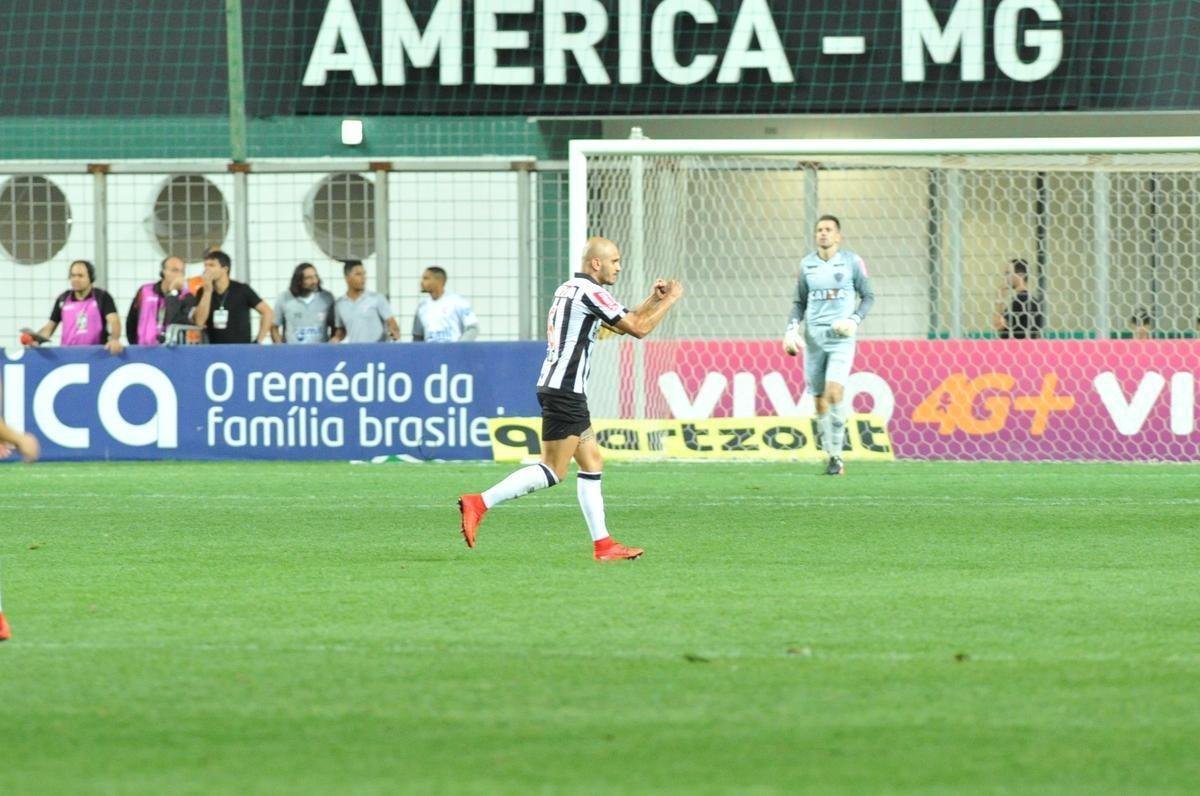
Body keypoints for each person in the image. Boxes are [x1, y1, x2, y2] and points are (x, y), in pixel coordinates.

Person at [457, 236, 684, 561]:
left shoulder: (570, 289)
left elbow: (622, 323)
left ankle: (604, 545)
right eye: (615, 261)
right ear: (596, 263)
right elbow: (638, 328)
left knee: (592, 462)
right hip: (565, 390)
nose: (619, 267)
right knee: (553, 470)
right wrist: (671, 299)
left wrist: (652, 298)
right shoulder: (591, 292)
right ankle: (479, 502)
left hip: (561, 387)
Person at [783, 215, 875, 476]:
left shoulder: (852, 262)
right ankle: (831, 454)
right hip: (814, 339)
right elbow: (799, 302)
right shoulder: (807, 265)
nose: (823, 233)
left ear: (838, 236)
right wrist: (791, 330)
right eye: (819, 230)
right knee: (820, 400)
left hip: (841, 338)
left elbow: (868, 296)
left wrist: (854, 320)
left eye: (828, 230)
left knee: (835, 392)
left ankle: (839, 457)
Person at [26, 260, 123, 354]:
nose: (76, 279)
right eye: (73, 275)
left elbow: (114, 321)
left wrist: (114, 339)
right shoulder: (63, 299)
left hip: (96, 355)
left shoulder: (102, 297)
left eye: (80, 276)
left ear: (91, 278)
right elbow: (49, 327)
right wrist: (36, 340)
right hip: (68, 356)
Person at [192, 250, 273, 344]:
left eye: (211, 265)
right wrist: (207, 292)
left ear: (225, 269)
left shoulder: (242, 290)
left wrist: (258, 341)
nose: (207, 269)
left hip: (241, 348)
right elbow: (199, 322)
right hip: (214, 348)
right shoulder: (202, 291)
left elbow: (267, 312)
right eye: (205, 265)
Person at [126, 256, 196, 345]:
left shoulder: (187, 296)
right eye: (174, 270)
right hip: (143, 348)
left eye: (181, 271)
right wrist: (134, 345)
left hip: (173, 350)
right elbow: (132, 320)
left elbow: (172, 319)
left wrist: (173, 292)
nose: (178, 275)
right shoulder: (145, 291)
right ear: (163, 272)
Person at [330, 260, 401, 343]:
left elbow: (392, 324)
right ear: (347, 278)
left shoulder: (377, 298)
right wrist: (336, 338)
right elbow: (341, 330)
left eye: (364, 274)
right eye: (358, 274)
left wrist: (393, 336)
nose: (363, 277)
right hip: (355, 353)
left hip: (377, 352)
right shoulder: (340, 304)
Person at [272, 263, 336, 344]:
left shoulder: (327, 298)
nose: (314, 281)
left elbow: (335, 327)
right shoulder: (284, 298)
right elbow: (274, 327)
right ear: (298, 281)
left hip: (320, 353)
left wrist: (331, 345)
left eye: (316, 276)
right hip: (293, 353)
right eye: (308, 278)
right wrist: (280, 346)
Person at [412, 266, 479, 342]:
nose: (422, 282)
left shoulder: (458, 302)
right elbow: (418, 336)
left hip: (453, 351)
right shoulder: (422, 307)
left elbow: (473, 328)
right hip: (431, 352)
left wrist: (459, 347)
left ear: (439, 281)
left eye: (426, 278)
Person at [993, 258, 1043, 340]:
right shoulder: (1034, 301)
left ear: (1020, 275)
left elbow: (998, 325)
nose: (1005, 277)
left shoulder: (1020, 301)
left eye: (1008, 273)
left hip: (1014, 349)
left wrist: (999, 299)